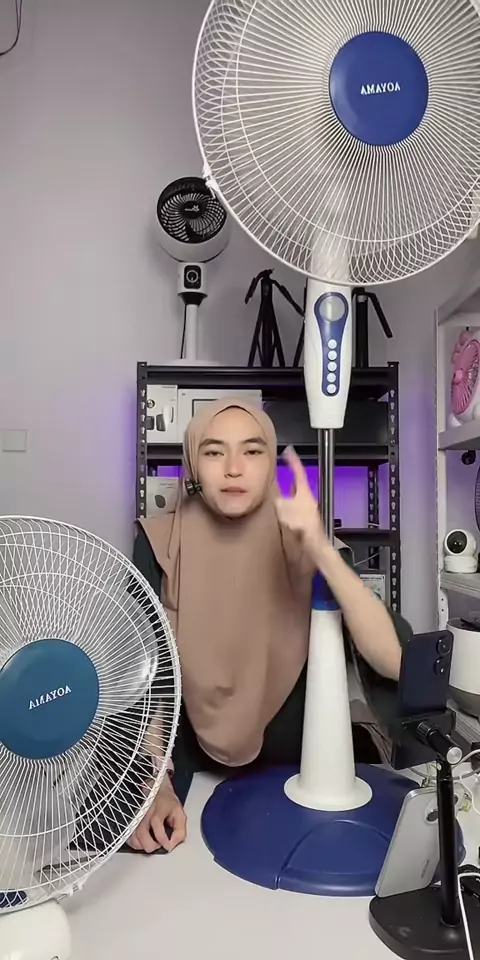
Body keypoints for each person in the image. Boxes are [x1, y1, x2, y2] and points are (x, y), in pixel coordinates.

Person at [128, 399, 411, 854]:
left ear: (270, 463)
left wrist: (319, 547)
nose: (234, 468)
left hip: (299, 759)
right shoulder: (157, 544)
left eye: (253, 451)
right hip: (186, 758)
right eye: (214, 452)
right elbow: (148, 679)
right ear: (193, 465)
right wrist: (154, 785)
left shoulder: (301, 538)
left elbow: (395, 661)